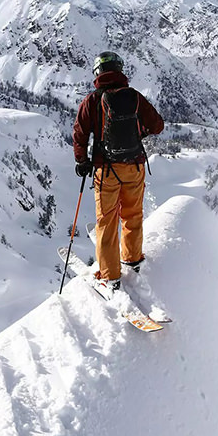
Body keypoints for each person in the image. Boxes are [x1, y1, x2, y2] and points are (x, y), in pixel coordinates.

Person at [73, 51, 164, 289]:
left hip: (106, 170)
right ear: (120, 70)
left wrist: (82, 161)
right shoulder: (133, 97)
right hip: (134, 166)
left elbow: (80, 134)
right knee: (132, 215)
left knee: (107, 221)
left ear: (98, 73)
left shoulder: (92, 101)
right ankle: (133, 259)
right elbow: (157, 125)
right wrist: (138, 132)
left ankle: (110, 275)